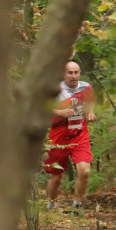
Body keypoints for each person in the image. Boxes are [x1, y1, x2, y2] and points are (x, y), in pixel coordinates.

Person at [44, 61, 96, 211]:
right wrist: (59, 112)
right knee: (57, 177)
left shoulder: (86, 87)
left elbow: (91, 100)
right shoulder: (56, 90)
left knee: (84, 171)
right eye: (70, 73)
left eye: (76, 72)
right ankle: (51, 205)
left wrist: (91, 112)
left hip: (80, 136)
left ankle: (77, 205)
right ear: (63, 74)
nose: (74, 76)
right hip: (58, 138)